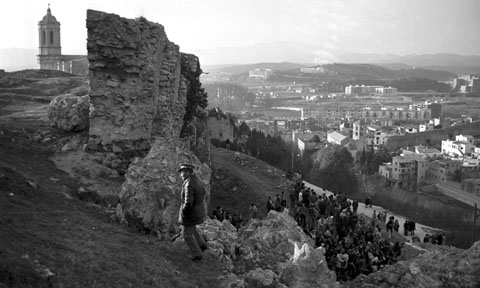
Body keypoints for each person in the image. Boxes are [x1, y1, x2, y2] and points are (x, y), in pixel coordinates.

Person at [177, 163, 208, 261]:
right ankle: (202, 245)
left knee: (187, 235)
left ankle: (197, 255)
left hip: (191, 213)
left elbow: (188, 202)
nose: (181, 175)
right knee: (193, 229)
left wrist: (184, 213)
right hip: (198, 211)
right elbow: (203, 193)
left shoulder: (189, 183)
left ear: (187, 172)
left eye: (182, 172)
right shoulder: (197, 180)